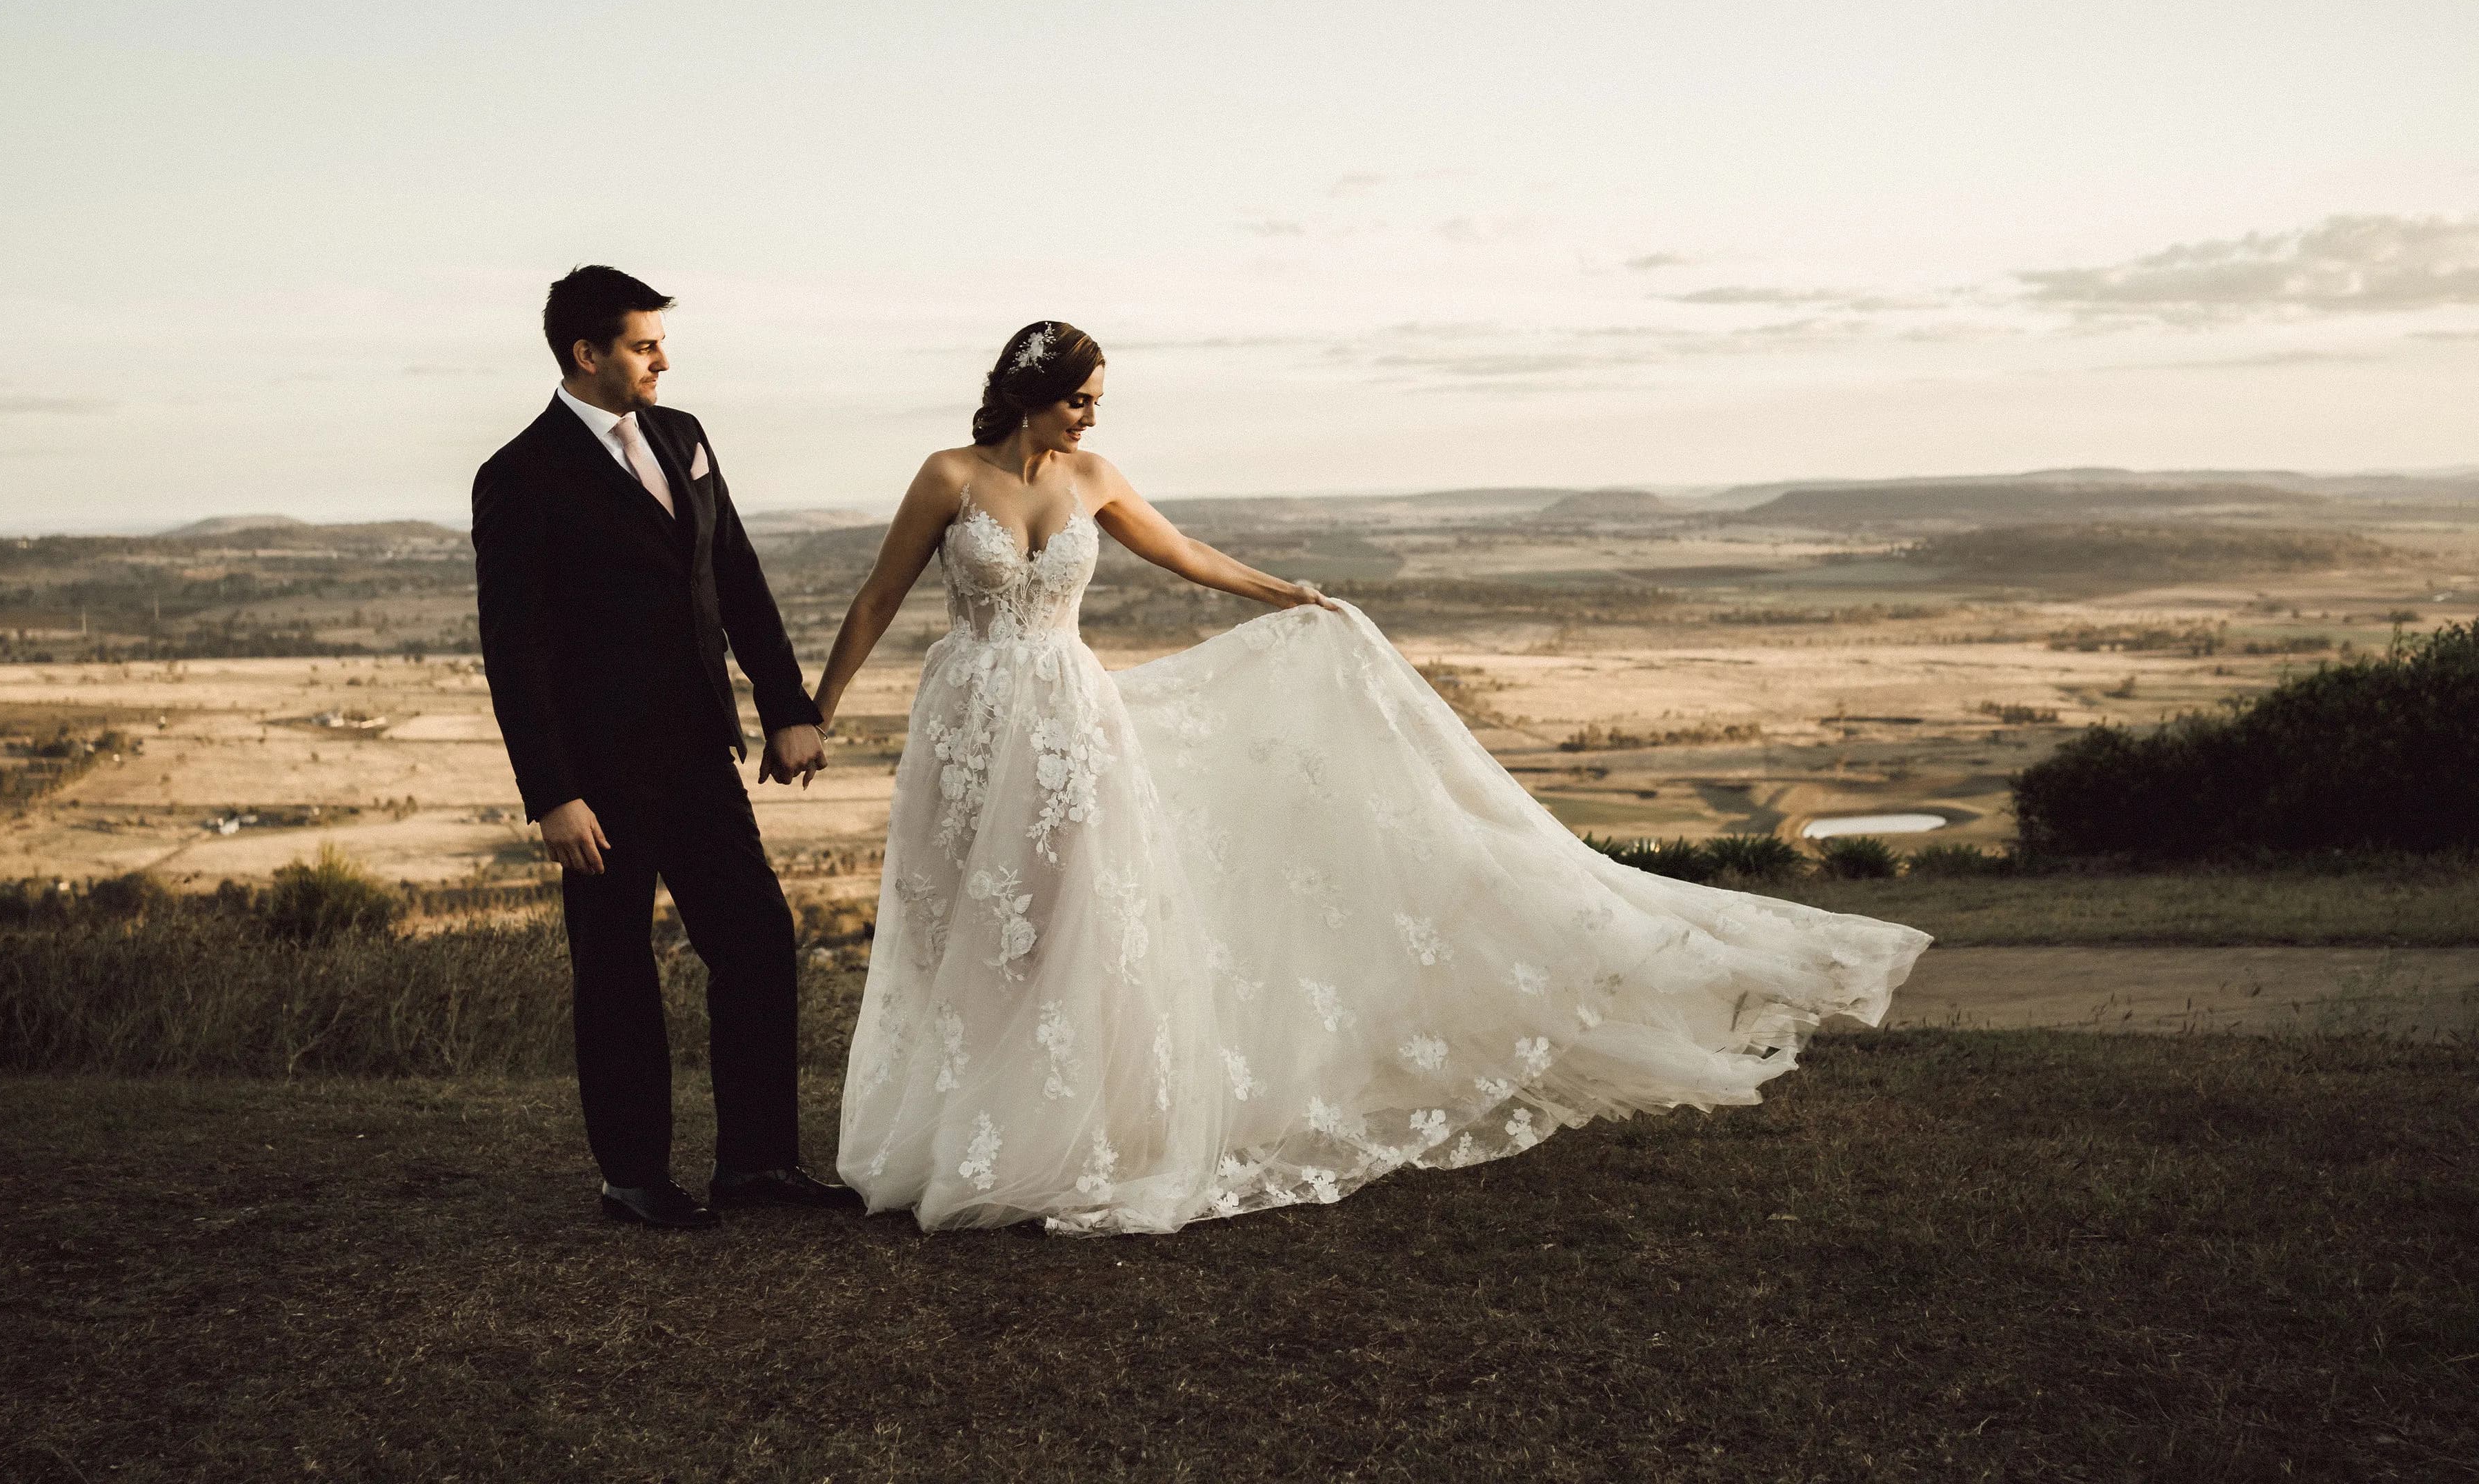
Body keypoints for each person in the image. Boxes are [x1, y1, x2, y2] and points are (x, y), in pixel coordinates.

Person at [820, 321, 1931, 1233]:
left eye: (1099, 400)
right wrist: (809, 717)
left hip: (1069, 719)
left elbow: (1190, 557)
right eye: (1080, 398)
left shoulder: (1099, 478)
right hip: (966, 721)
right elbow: (876, 600)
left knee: (1073, 918)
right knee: (970, 924)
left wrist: (1287, 597)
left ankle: (1066, 1134)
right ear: (1033, 390)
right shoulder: (947, 477)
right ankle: (965, 1127)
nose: (1093, 417)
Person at [472, 265, 844, 1229]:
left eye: (659, 343)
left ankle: (757, 1163)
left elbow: (737, 576)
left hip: (700, 754)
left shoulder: (684, 438)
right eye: (644, 346)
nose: (663, 361)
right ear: (585, 354)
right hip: (598, 776)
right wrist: (551, 793)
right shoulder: (518, 476)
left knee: (758, 940)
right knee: (616, 967)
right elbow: (514, 653)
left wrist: (787, 704)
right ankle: (633, 1176)